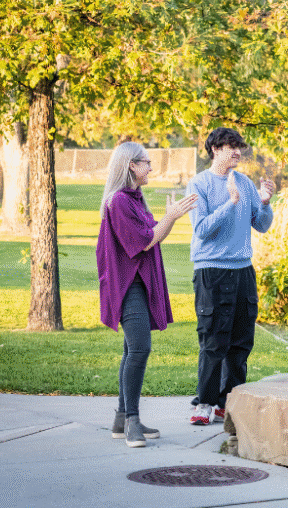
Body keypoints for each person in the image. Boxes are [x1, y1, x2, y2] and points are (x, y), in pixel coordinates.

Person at [96, 142, 198, 447]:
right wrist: (171, 217)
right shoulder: (119, 202)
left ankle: (121, 418)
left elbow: (153, 236)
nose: (151, 168)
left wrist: (169, 217)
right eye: (147, 163)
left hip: (138, 281)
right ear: (131, 165)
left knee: (132, 349)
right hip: (127, 285)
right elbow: (142, 243)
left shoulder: (134, 199)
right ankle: (131, 422)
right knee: (139, 348)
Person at [186, 127, 276, 426]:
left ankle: (229, 402)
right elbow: (202, 229)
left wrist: (264, 202)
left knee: (240, 342)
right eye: (230, 146)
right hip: (212, 271)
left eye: (239, 147)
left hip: (243, 271)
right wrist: (230, 203)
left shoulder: (246, 183)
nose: (237, 152)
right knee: (214, 340)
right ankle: (205, 403)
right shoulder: (199, 184)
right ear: (215, 149)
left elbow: (260, 226)